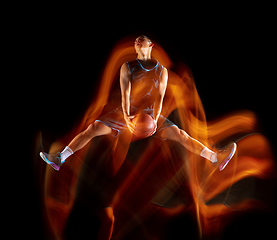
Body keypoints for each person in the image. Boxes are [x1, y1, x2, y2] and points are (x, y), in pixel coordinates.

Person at [40, 35, 236, 240]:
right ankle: (60, 158)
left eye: (141, 40)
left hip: (151, 116)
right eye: (135, 41)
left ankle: (216, 158)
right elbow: (125, 96)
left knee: (181, 135)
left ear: (149, 45)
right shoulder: (127, 67)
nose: (136, 42)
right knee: (92, 129)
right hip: (127, 114)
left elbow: (160, 99)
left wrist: (154, 121)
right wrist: (128, 119)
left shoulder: (161, 71)